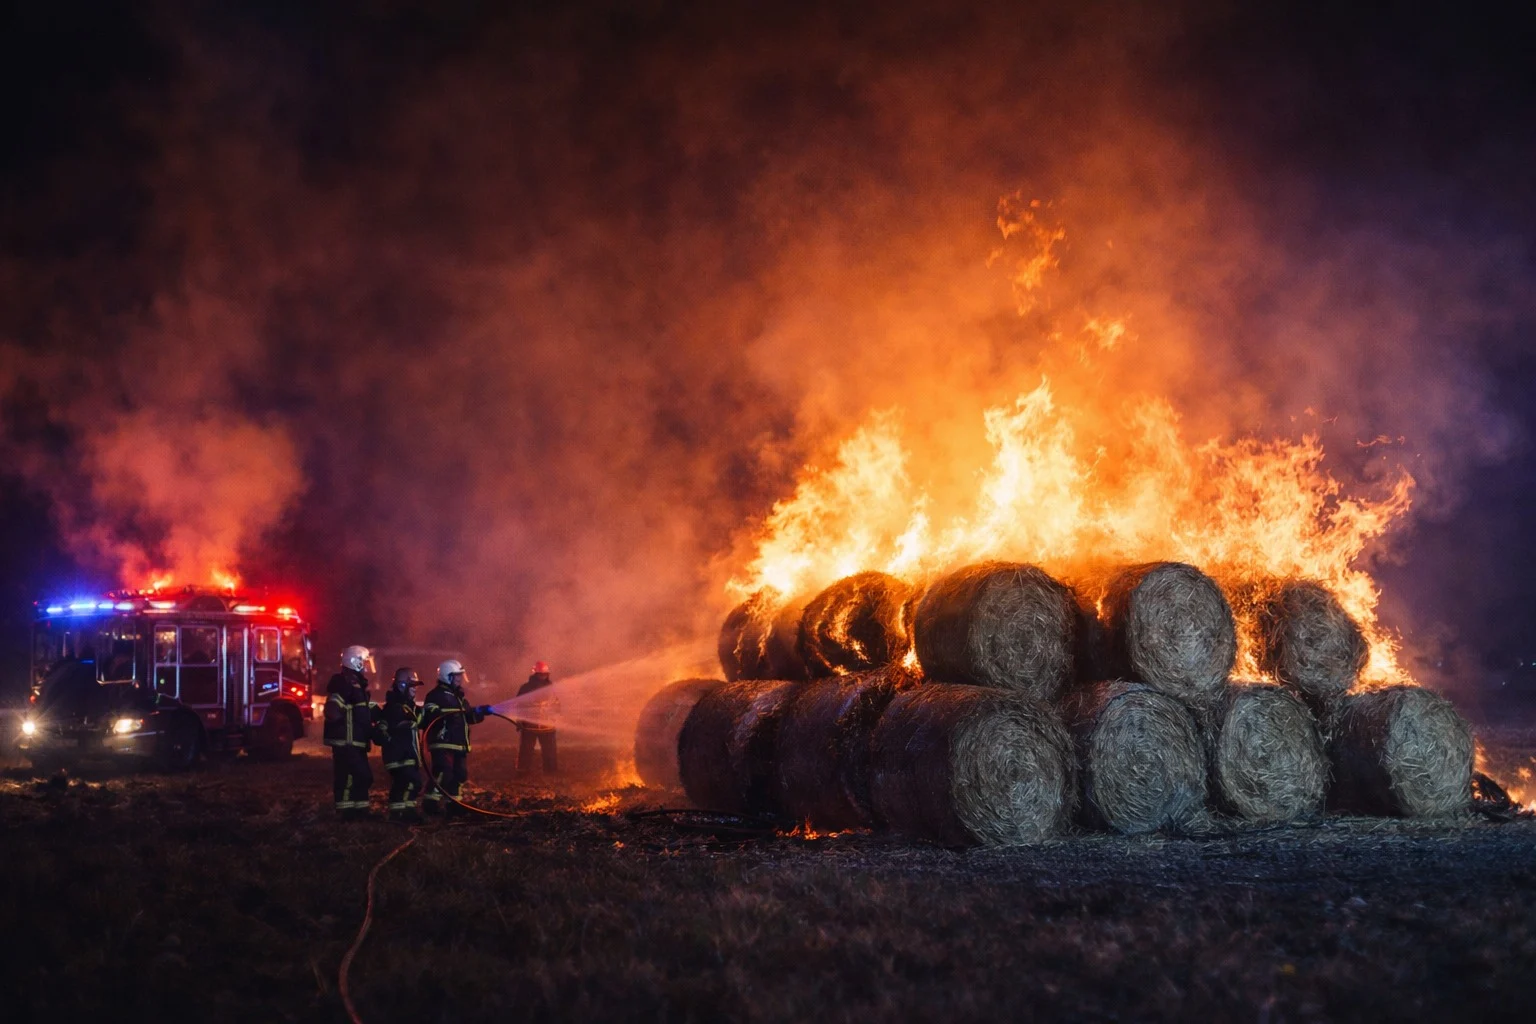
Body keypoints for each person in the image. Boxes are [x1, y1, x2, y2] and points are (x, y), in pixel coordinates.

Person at [421, 659, 490, 815]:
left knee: (459, 775)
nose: (460, 679)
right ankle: (430, 803)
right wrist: (442, 715)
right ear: (447, 676)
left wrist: (481, 712)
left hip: (458, 744)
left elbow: (468, 717)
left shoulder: (459, 698)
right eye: (457, 676)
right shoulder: (435, 695)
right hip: (443, 743)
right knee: (443, 773)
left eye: (461, 675)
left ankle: (454, 804)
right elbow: (429, 714)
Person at [323, 645, 380, 819]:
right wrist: (336, 714)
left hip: (356, 741)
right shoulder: (345, 684)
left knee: (361, 777)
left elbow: (362, 709)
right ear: (355, 662)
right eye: (364, 663)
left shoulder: (357, 686)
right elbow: (333, 708)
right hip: (347, 742)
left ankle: (361, 810)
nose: (366, 668)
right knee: (350, 776)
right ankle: (346, 813)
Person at [381, 667, 425, 821]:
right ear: (402, 686)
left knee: (409, 783)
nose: (416, 689)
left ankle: (407, 811)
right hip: (399, 756)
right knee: (407, 783)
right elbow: (410, 721)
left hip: (407, 755)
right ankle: (400, 813)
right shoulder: (395, 707)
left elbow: (419, 718)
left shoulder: (407, 706)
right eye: (413, 686)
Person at [516, 660, 559, 775]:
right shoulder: (525, 688)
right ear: (535, 674)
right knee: (526, 750)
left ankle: (551, 772)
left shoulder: (552, 688)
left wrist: (556, 716)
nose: (543, 677)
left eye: (544, 674)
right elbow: (519, 705)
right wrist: (519, 720)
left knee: (549, 751)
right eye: (540, 674)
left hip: (547, 726)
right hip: (529, 726)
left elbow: (557, 704)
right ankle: (522, 772)